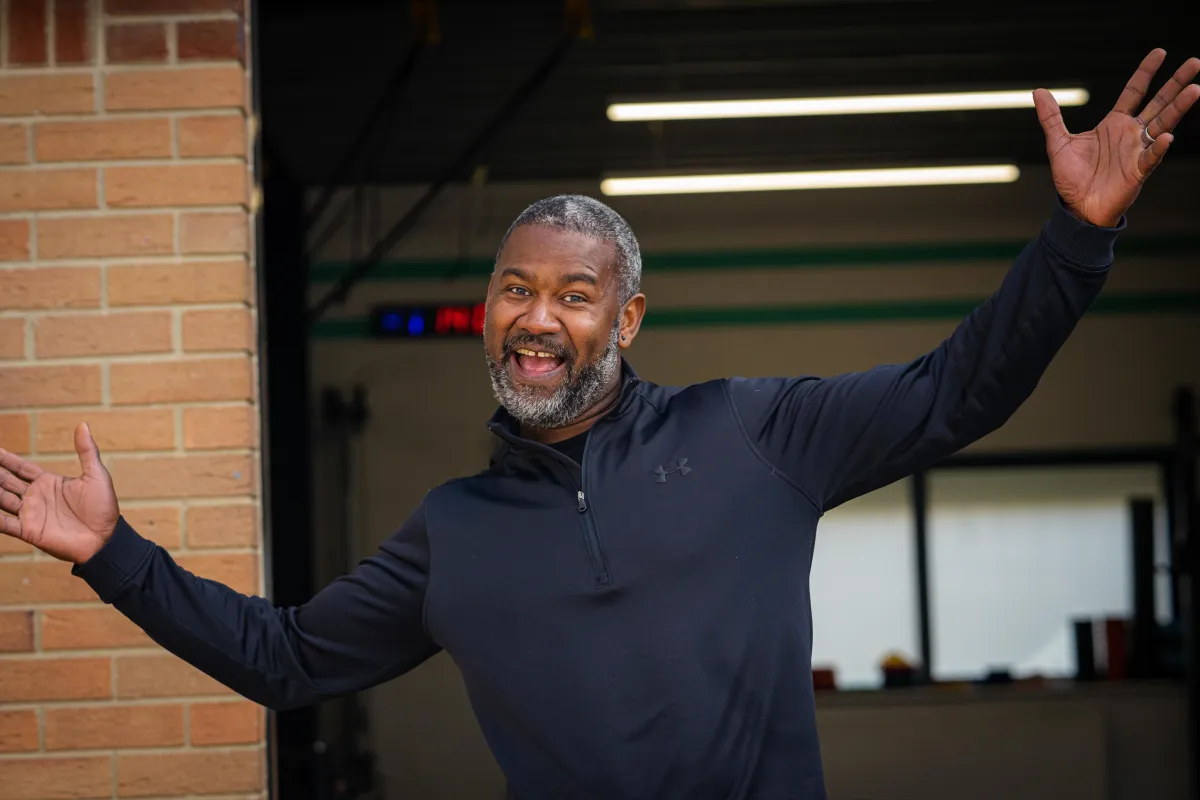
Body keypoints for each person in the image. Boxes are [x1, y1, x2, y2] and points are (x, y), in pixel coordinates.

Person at [1, 50, 1196, 799]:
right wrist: (112, 553)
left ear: (626, 319)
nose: (538, 317)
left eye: (574, 295)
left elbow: (956, 390)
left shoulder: (754, 434)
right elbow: (287, 659)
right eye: (515, 288)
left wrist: (1077, 238)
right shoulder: (452, 532)